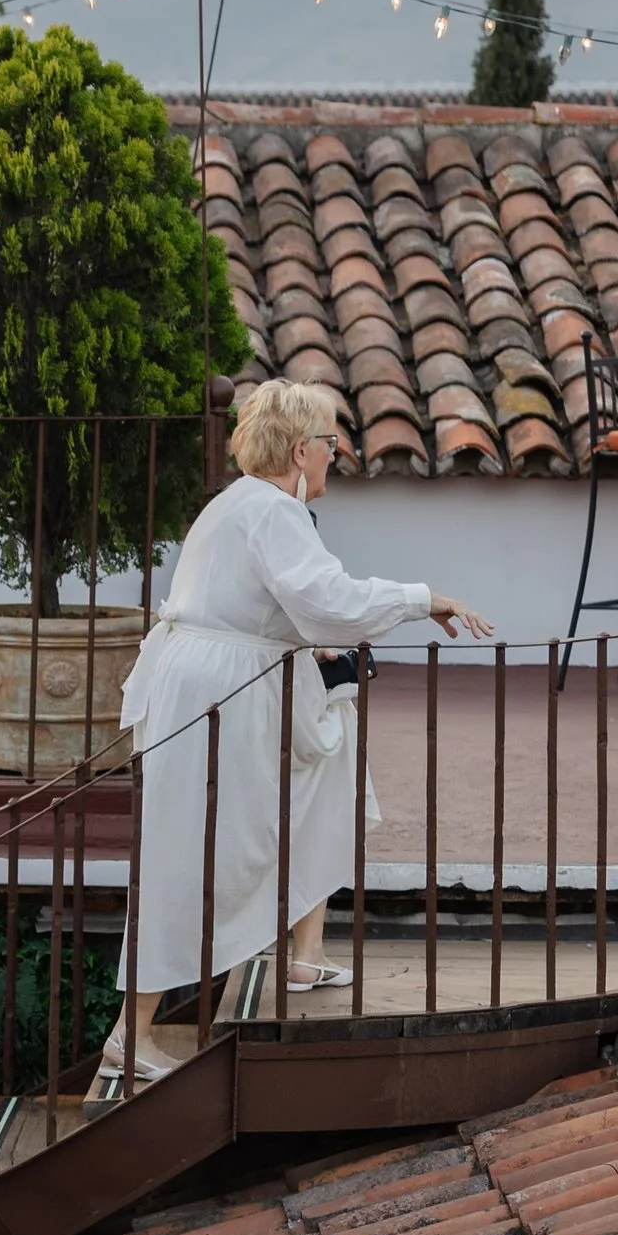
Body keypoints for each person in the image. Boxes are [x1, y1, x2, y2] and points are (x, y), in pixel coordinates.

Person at [105, 380, 493, 1079]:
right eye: (329, 443)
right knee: (192, 853)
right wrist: (422, 598)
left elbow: (277, 606)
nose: (334, 455)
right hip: (216, 695)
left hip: (208, 685)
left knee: (291, 792)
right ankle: (130, 1036)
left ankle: (298, 951)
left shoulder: (239, 505)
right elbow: (329, 601)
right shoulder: (272, 511)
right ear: (297, 450)